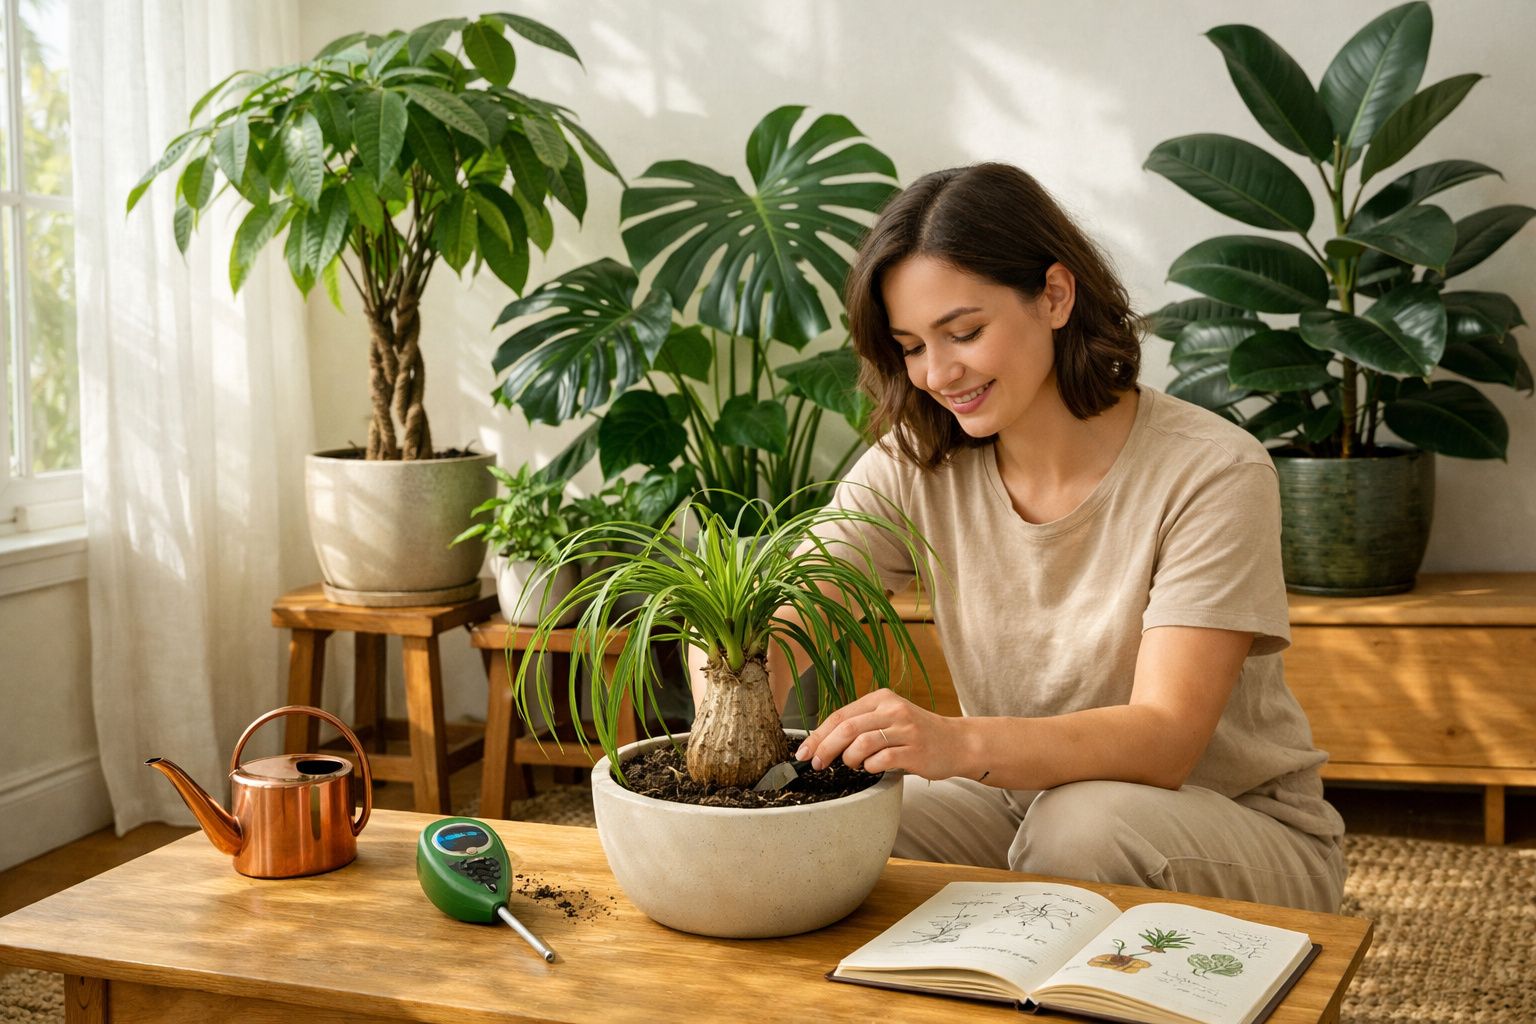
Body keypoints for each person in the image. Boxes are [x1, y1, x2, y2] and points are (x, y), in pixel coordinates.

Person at [784, 162, 1347, 913]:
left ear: (1054, 295)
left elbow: (1165, 738)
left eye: (964, 332)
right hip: (1021, 803)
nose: (938, 373)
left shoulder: (1211, 470)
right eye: (911, 346)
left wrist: (954, 743)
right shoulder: (917, 460)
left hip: (1233, 828)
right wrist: (729, 666)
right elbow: (792, 605)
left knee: (1081, 827)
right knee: (841, 821)